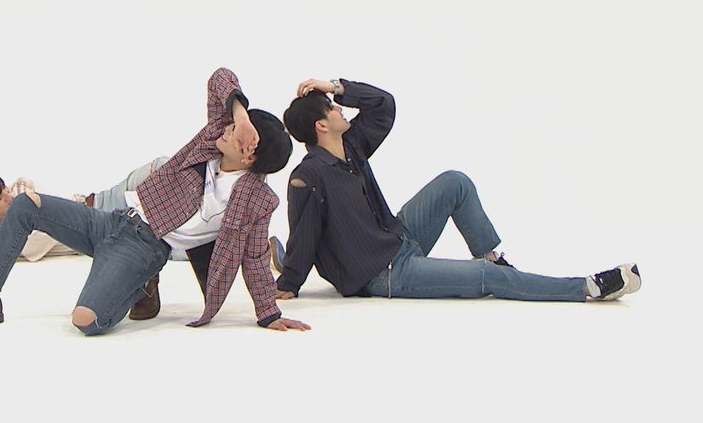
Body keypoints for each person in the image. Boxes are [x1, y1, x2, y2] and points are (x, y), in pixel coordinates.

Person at [0, 67, 310, 335]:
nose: (226, 129)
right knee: (26, 204)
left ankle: (140, 279)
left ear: (249, 154)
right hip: (112, 219)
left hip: (145, 248)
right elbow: (220, 78)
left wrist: (267, 313)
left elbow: (255, 258)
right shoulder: (208, 143)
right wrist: (241, 113)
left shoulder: (257, 200)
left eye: (236, 131)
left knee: (86, 322)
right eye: (231, 124)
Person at [271, 77, 641, 304]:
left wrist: (336, 86)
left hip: (397, 238)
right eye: (333, 107)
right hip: (384, 272)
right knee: (488, 281)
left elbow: (384, 105)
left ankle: (492, 257)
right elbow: (306, 230)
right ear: (321, 126)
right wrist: (290, 282)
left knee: (455, 182)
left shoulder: (352, 145)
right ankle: (588, 288)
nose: (340, 109)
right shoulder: (309, 176)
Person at [0, 159, 172, 266]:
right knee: (172, 244)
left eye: (5, 190)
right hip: (104, 234)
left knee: (163, 167)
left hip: (101, 204)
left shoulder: (21, 189)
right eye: (0, 199)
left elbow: (38, 227)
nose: (9, 197)